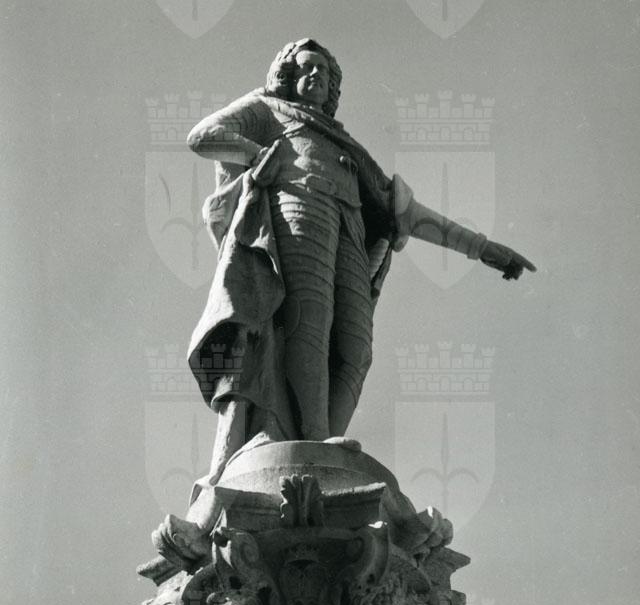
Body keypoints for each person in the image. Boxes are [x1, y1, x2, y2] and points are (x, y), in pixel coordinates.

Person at [186, 38, 535, 487]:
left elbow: (407, 212)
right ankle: (315, 437)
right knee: (309, 321)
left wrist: (482, 248)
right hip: (298, 212)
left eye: (323, 71)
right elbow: (203, 136)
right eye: (305, 68)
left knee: (355, 348)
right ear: (287, 76)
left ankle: (328, 439)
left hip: (349, 230)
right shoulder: (268, 110)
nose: (315, 75)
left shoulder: (347, 147)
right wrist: (258, 157)